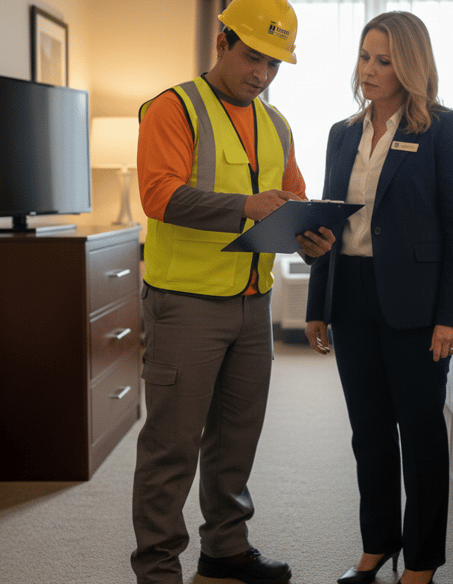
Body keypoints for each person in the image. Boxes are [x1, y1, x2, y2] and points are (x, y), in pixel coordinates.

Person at [131, 1, 335, 583]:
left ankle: (224, 550)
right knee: (172, 447)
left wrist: (309, 237)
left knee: (236, 440)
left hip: (253, 303)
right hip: (184, 304)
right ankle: (157, 571)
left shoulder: (277, 124)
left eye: (274, 64)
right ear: (222, 43)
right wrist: (245, 208)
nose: (262, 75)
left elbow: (290, 201)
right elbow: (160, 196)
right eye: (253, 58)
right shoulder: (173, 108)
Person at [304, 11, 453, 584]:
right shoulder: (340, 133)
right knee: (369, 432)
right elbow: (327, 223)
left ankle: (422, 560)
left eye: (385, 61)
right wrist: (317, 304)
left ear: (410, 66)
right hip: (351, 296)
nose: (371, 70)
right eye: (365, 57)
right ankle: (376, 545)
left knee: (420, 431)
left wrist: (451, 316)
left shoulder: (443, 130)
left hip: (416, 304)